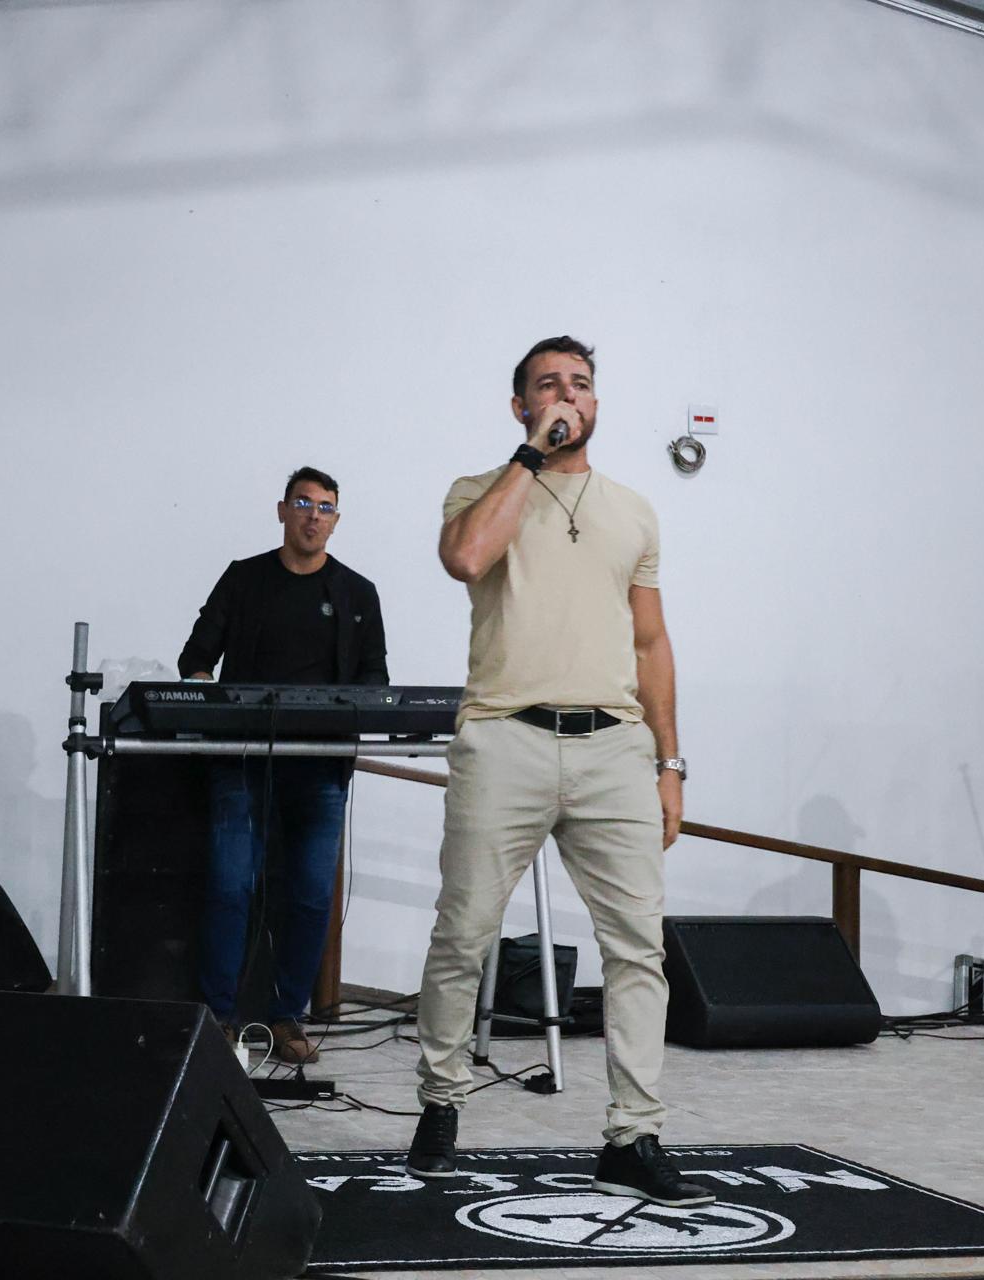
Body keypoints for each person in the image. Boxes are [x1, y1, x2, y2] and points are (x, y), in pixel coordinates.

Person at [405, 335, 711, 1207]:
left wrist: (670, 763)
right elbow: (467, 559)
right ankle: (440, 1105)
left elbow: (651, 642)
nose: (567, 396)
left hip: (614, 745)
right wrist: (528, 458)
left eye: (580, 384)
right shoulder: (479, 490)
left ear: (598, 402)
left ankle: (634, 1135)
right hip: (505, 737)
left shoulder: (633, 511)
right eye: (549, 385)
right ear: (521, 406)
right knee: (464, 932)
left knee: (638, 947)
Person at [177, 466, 389, 1065]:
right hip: (242, 759)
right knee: (230, 887)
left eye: (325, 507)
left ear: (336, 521)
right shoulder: (244, 579)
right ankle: (218, 1019)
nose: (312, 516)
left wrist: (359, 707)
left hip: (320, 766)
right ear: (281, 510)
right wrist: (206, 696)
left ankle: (287, 1016)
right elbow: (196, 656)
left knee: (312, 896)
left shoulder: (356, 593)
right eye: (302, 503)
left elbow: (376, 675)